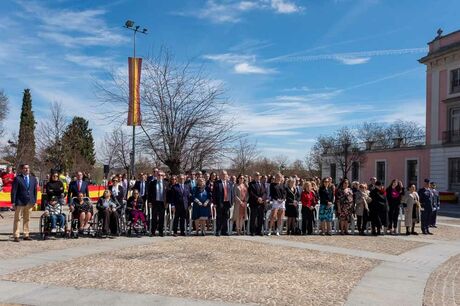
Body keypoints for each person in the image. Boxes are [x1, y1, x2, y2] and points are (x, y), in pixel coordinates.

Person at [11, 164, 37, 242]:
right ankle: (16, 235)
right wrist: (13, 201)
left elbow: (34, 191)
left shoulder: (33, 179)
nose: (27, 169)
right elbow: (14, 191)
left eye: (28, 168)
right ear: (22, 169)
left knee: (27, 219)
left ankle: (26, 234)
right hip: (20, 202)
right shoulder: (17, 178)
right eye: (25, 168)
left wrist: (34, 201)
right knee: (17, 219)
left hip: (30, 202)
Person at [212, 170, 234, 236]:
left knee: (226, 217)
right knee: (219, 217)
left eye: (225, 174)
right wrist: (215, 203)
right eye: (223, 174)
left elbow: (232, 194)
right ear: (220, 175)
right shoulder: (216, 183)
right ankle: (218, 231)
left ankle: (225, 231)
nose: (224, 176)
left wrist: (232, 202)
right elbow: (214, 194)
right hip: (220, 203)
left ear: (227, 175)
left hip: (227, 203)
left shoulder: (230, 183)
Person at [148, 172, 168, 236]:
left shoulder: (166, 183)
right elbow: (149, 193)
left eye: (161, 175)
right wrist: (149, 202)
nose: (160, 176)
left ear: (163, 176)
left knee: (161, 218)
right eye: (158, 175)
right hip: (155, 202)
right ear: (156, 175)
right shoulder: (152, 183)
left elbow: (168, 194)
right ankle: (153, 231)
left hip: (162, 203)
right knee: (154, 217)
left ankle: (160, 231)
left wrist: (167, 202)